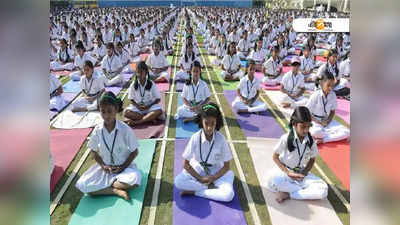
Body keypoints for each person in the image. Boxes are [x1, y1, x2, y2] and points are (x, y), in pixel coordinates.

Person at [75, 91, 141, 201]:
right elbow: (94, 151)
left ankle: (104, 187)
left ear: (115, 110)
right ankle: (114, 190)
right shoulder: (98, 129)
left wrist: (123, 167)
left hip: (124, 168)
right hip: (106, 169)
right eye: (103, 111)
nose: (106, 115)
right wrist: (103, 165)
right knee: (82, 185)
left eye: (109, 111)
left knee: (135, 180)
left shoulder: (125, 129)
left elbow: (135, 151)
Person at [174, 103, 235, 202]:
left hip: (216, 170)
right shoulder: (195, 137)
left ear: (217, 122)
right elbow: (185, 164)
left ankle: (196, 192)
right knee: (178, 182)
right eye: (206, 123)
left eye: (213, 123)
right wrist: (200, 179)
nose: (209, 127)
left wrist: (213, 178)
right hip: (198, 168)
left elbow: (226, 166)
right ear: (201, 121)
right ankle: (210, 189)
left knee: (228, 195)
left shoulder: (221, 139)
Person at [266, 106, 328, 203]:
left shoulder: (310, 140)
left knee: (323, 190)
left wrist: (304, 172)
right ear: (294, 124)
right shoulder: (285, 138)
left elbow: (312, 159)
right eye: (303, 127)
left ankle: (288, 194)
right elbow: (275, 157)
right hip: (285, 173)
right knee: (274, 182)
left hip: (300, 173)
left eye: (308, 126)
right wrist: (288, 172)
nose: (306, 130)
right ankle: (300, 190)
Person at [306, 73, 350, 143]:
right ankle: (329, 135)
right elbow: (306, 112)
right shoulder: (315, 95)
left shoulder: (333, 95)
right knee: (316, 132)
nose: (331, 88)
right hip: (315, 120)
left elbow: (332, 111)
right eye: (328, 85)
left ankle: (324, 139)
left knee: (347, 132)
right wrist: (319, 122)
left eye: (332, 86)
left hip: (327, 120)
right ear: (322, 84)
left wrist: (327, 121)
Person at [124, 61, 163, 126]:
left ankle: (137, 122)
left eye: (142, 72)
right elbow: (131, 99)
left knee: (159, 111)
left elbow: (158, 99)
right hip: (138, 107)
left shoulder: (151, 83)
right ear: (136, 73)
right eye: (138, 72)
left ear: (146, 72)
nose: (140, 74)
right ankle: (149, 118)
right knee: (126, 113)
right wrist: (138, 106)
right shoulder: (133, 84)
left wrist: (149, 106)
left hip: (150, 107)